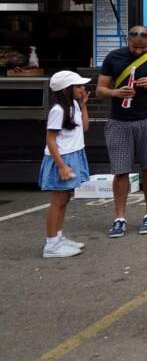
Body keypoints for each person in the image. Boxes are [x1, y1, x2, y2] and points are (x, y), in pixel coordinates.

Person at [96, 25, 147, 238]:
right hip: (119, 120)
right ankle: (119, 217)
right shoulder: (114, 57)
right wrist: (116, 92)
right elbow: (100, 89)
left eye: (142, 48)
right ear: (127, 41)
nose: (137, 51)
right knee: (120, 170)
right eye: (134, 47)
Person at [39, 71, 91, 258]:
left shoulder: (74, 106)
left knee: (65, 198)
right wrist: (61, 165)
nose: (83, 88)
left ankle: (58, 237)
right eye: (78, 86)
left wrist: (84, 106)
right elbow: (50, 141)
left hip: (74, 154)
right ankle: (51, 244)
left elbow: (85, 127)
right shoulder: (58, 110)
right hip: (62, 158)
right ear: (66, 89)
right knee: (58, 201)